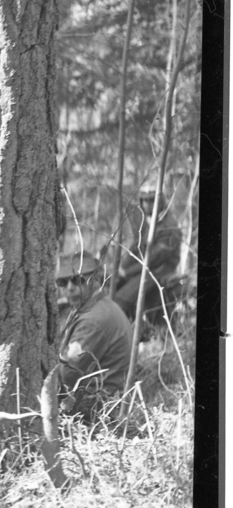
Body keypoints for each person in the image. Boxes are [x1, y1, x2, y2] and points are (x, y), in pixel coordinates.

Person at [55, 247, 134, 424]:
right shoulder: (99, 307)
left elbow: (67, 375)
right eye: (63, 283)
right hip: (99, 404)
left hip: (94, 412)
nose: (70, 289)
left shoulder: (93, 320)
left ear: (96, 280)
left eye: (77, 280)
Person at [113, 181, 183, 326]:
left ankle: (133, 329)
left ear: (161, 200)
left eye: (151, 200)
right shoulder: (147, 222)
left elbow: (155, 258)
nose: (147, 204)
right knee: (112, 287)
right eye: (144, 200)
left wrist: (127, 272)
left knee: (122, 298)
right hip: (145, 267)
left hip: (161, 270)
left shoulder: (170, 226)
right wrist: (122, 268)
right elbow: (136, 247)